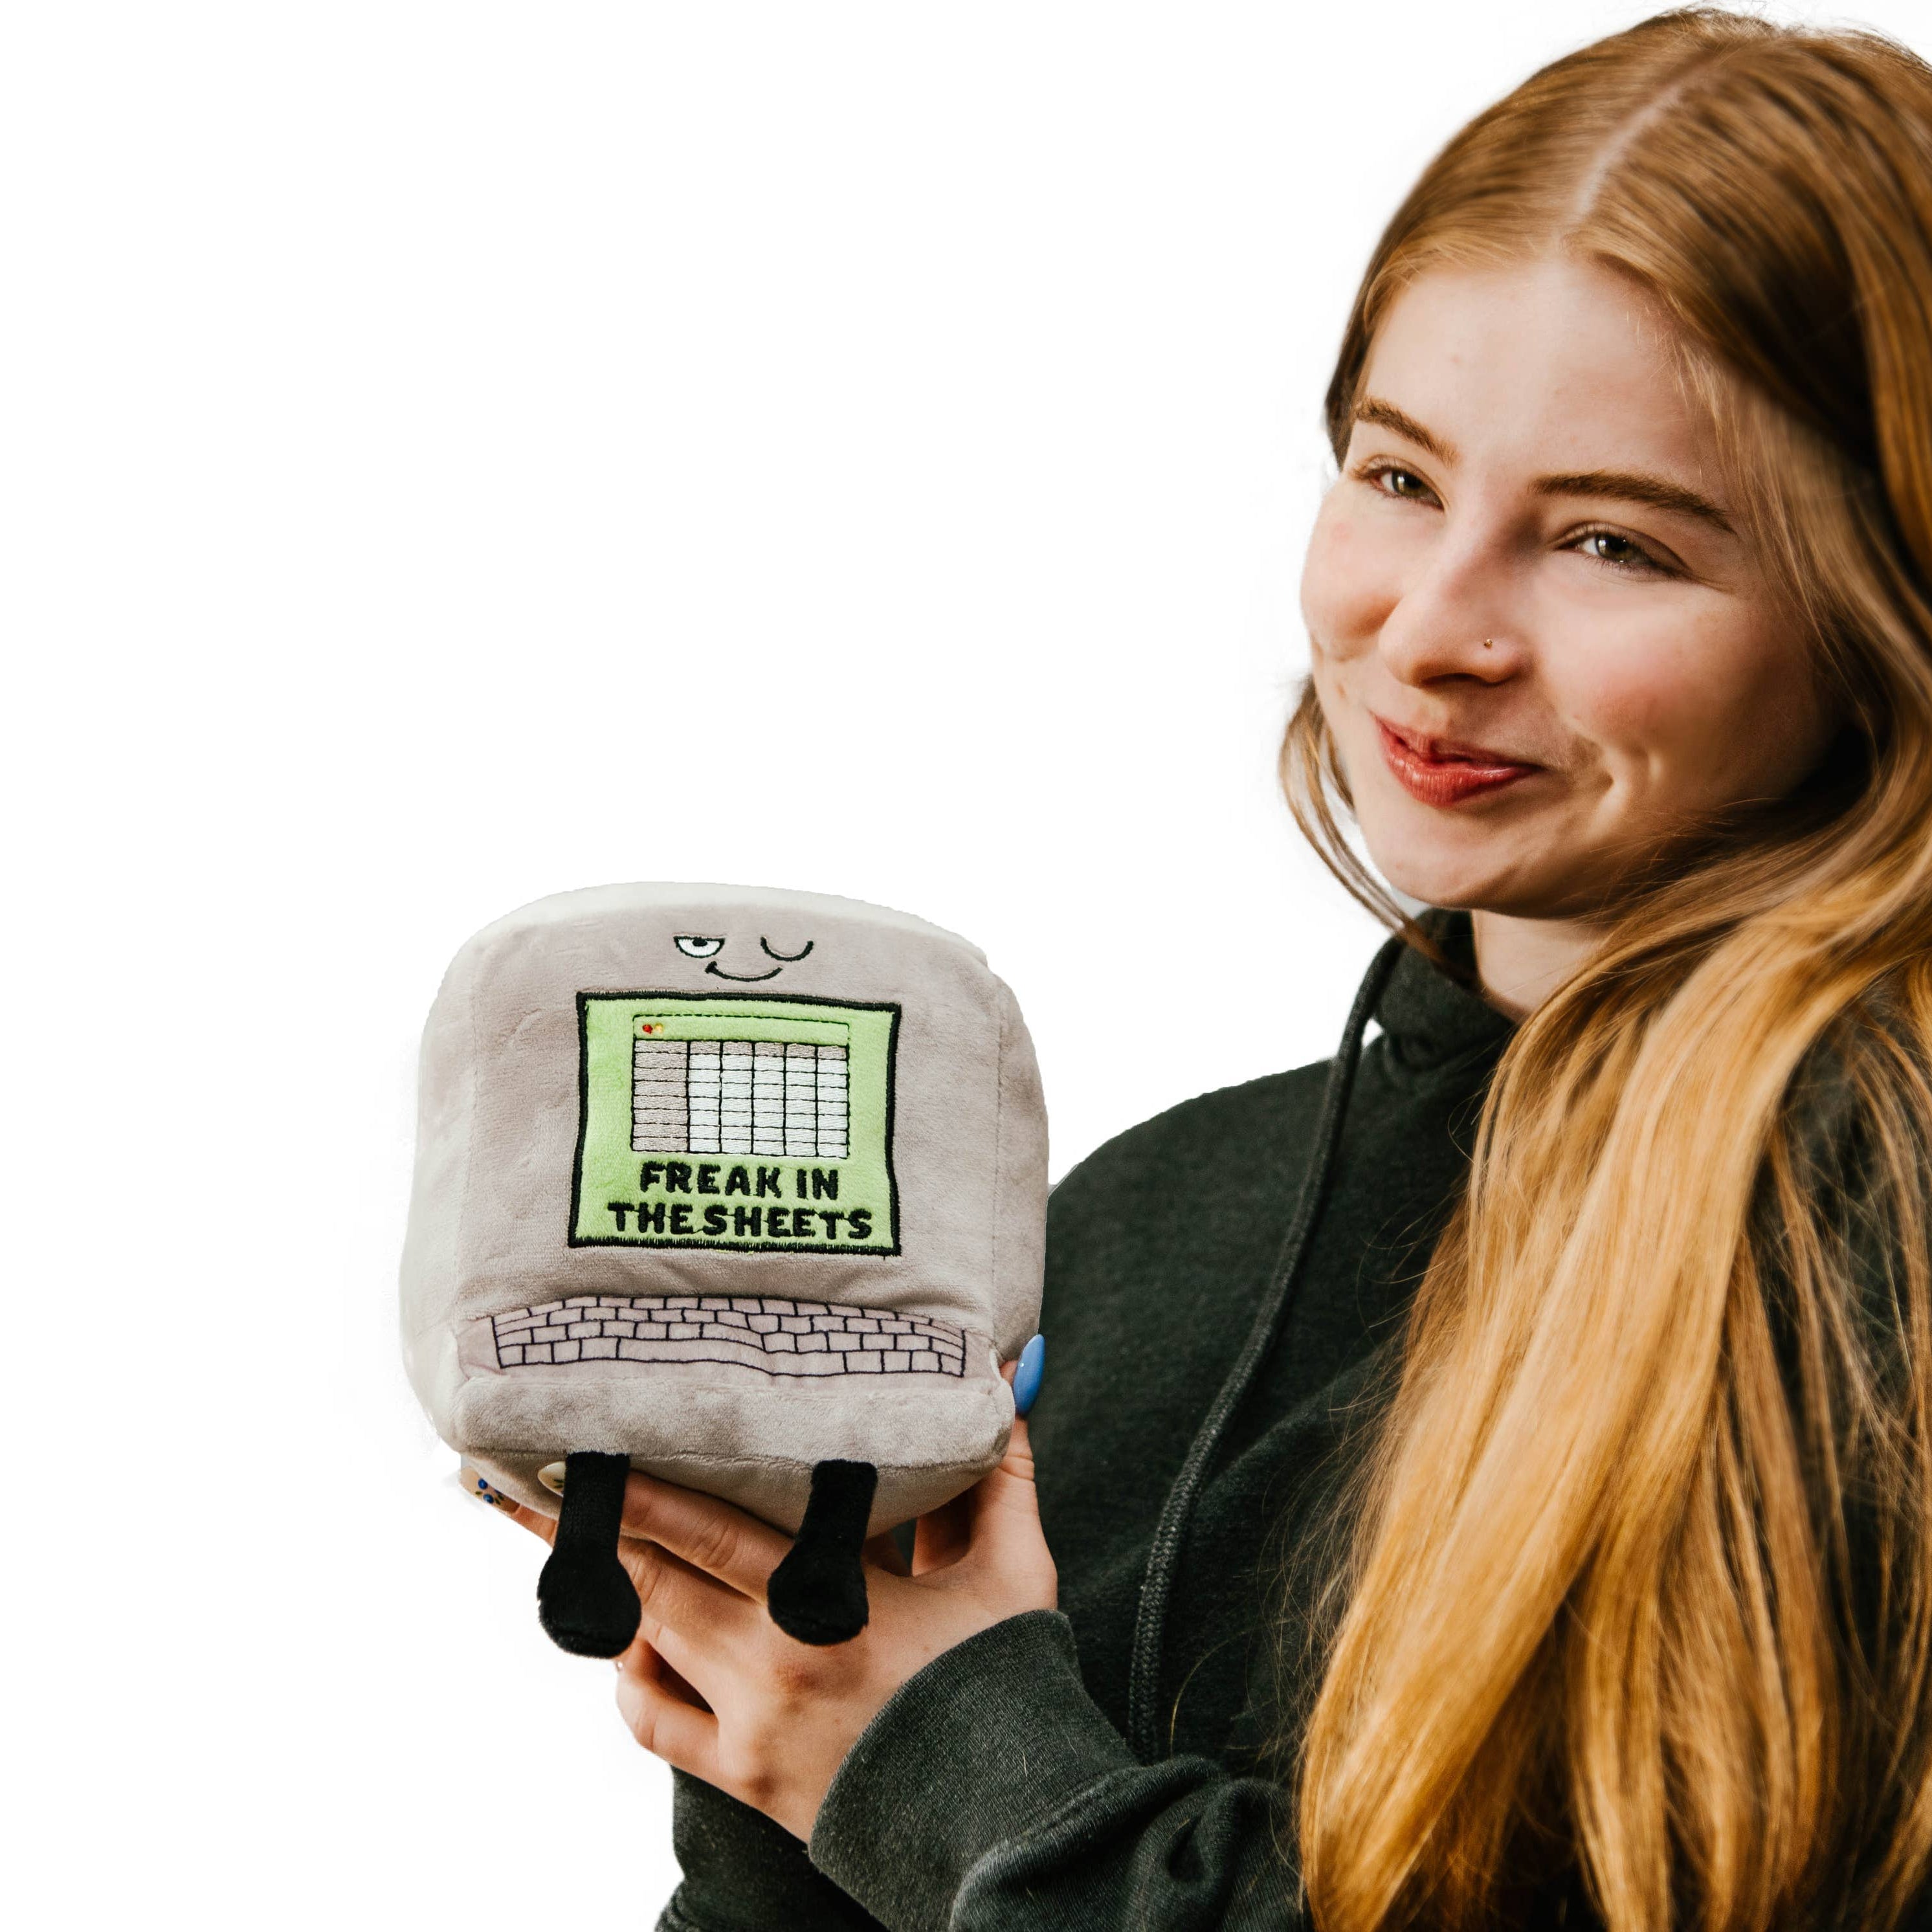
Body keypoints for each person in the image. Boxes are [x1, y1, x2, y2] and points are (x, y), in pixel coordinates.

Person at [483, 7, 1932, 1926]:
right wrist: (769, 1690)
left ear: (1881, 612)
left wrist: (946, 1766)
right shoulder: (1149, 1222)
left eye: (1610, 544)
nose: (1429, 630)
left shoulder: (1873, 1249)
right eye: (1398, 479)